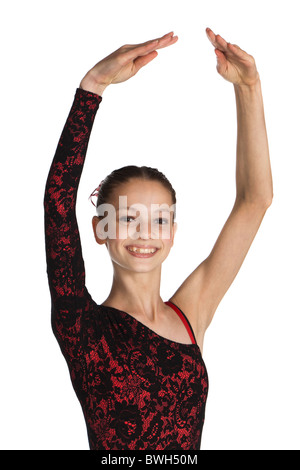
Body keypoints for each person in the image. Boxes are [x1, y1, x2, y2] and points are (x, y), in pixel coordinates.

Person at [44, 28, 273, 450]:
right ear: (100, 228)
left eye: (160, 220)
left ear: (172, 232)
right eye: (128, 217)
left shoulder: (190, 314)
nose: (146, 233)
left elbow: (255, 200)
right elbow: (58, 204)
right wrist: (92, 87)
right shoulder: (82, 328)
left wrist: (249, 88)